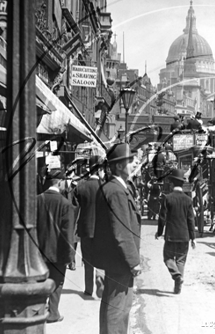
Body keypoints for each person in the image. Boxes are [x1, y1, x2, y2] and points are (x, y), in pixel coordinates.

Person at [92, 143, 141, 334]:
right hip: (119, 261)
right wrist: (134, 261)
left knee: (112, 308)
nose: (134, 163)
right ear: (119, 166)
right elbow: (122, 230)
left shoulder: (113, 188)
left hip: (113, 260)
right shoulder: (117, 191)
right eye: (130, 161)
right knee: (118, 311)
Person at [36, 169, 75, 323]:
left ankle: (37, 312)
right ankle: (53, 313)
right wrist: (70, 256)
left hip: (38, 251)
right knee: (57, 282)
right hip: (58, 252)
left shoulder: (37, 200)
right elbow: (67, 233)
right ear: (60, 182)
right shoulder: (66, 204)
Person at [155, 169, 196, 294]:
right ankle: (178, 286)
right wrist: (193, 238)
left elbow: (162, 218)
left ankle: (176, 275)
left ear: (172, 184)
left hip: (171, 236)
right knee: (181, 260)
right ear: (182, 184)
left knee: (168, 257)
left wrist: (159, 232)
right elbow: (191, 220)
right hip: (184, 237)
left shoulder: (167, 198)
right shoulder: (188, 200)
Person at [73, 155, 106, 298]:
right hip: (101, 230)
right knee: (101, 256)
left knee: (87, 259)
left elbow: (74, 209)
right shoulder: (105, 187)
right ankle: (100, 276)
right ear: (100, 170)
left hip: (85, 229)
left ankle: (88, 289)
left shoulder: (81, 186)